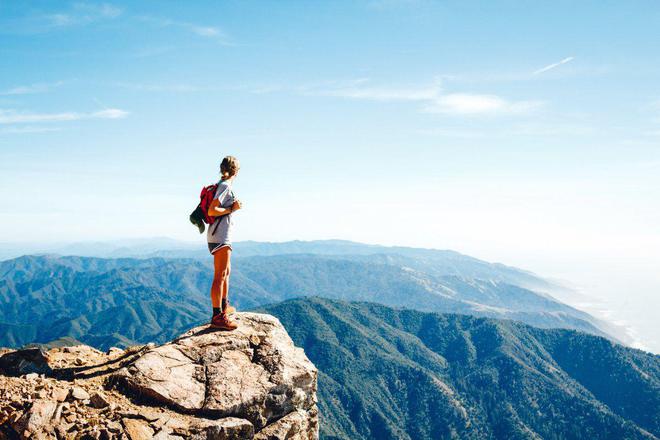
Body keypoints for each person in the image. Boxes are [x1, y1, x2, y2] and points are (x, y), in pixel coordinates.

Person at [207, 155, 242, 330]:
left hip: (220, 235)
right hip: (220, 236)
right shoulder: (225, 186)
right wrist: (231, 209)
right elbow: (212, 210)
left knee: (226, 272)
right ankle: (217, 316)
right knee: (220, 275)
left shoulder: (224, 186)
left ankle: (224, 306)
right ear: (236, 170)